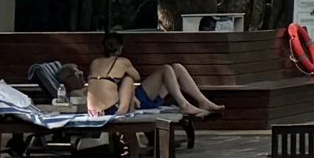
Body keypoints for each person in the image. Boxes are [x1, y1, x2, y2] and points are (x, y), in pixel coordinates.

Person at [83, 51, 221, 120]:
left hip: (129, 97)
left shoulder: (96, 64)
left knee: (177, 68)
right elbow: (135, 76)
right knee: (166, 69)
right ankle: (184, 104)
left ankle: (203, 101)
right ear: (119, 49)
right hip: (131, 100)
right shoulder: (122, 62)